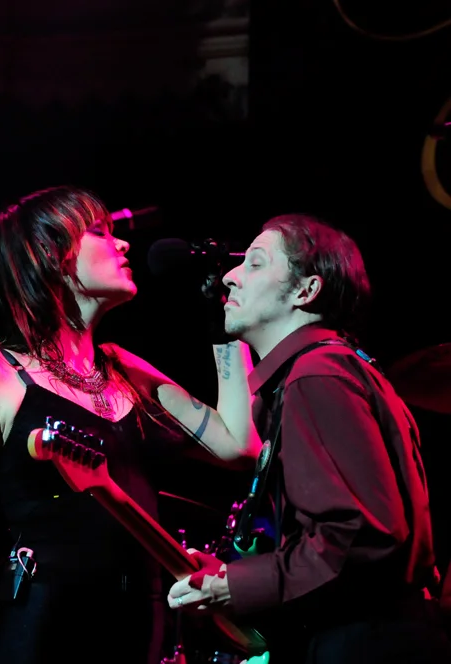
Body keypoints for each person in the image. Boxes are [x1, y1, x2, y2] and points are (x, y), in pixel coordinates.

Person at [0, 184, 261, 664]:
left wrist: (226, 330)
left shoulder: (124, 370)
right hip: (45, 628)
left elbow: (238, 446)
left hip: (138, 631)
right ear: (51, 257)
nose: (122, 244)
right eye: (99, 233)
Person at [165, 213, 451, 663]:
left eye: (255, 264)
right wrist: (233, 572)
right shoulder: (325, 370)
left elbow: (357, 537)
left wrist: (235, 587)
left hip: (363, 641)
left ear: (305, 291)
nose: (230, 276)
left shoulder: (316, 376)